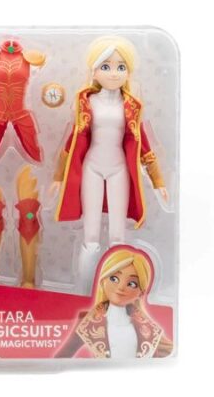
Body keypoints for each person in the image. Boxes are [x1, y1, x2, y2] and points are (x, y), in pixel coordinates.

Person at [52, 36, 167, 294]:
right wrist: (59, 176)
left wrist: (157, 180)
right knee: (91, 235)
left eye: (121, 67)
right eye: (106, 66)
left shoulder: (131, 106)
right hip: (92, 167)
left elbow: (141, 142)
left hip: (119, 170)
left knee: (118, 235)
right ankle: (84, 292)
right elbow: (74, 140)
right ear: (94, 70)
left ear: (128, 72)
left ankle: (115, 292)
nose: (114, 73)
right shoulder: (86, 101)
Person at [55, 246, 173, 358]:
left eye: (132, 284)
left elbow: (166, 358)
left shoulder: (148, 329)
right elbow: (61, 358)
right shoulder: (87, 321)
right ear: (103, 281)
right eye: (114, 278)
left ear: (141, 293)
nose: (121, 287)